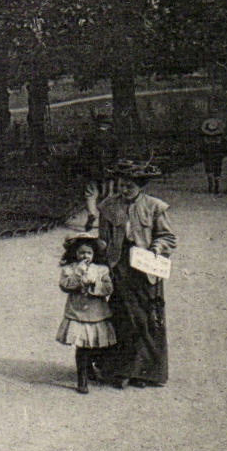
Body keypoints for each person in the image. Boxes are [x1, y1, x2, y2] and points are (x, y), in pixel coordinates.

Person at [96, 159, 176, 389]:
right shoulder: (108, 206)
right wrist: (102, 253)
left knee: (147, 318)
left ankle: (146, 371)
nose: (125, 189)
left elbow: (168, 237)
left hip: (145, 269)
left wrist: (156, 249)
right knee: (122, 316)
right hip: (120, 266)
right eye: (122, 184)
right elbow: (103, 237)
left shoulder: (155, 207)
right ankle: (120, 370)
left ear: (141, 186)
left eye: (130, 185)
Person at [56, 232, 116, 394]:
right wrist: (78, 274)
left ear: (94, 254)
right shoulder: (69, 269)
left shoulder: (101, 270)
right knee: (82, 347)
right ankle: (82, 379)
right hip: (78, 313)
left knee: (95, 344)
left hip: (97, 313)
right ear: (74, 254)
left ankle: (90, 369)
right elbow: (65, 285)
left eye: (88, 252)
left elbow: (109, 288)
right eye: (81, 252)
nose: (85, 256)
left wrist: (94, 285)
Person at [76, 111, 116, 230]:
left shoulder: (89, 137)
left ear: (97, 124)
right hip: (107, 171)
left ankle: (92, 214)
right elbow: (116, 155)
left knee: (90, 193)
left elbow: (82, 154)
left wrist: (82, 168)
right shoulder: (112, 138)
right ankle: (105, 219)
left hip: (91, 170)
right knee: (107, 195)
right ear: (108, 125)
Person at [199, 117, 227, 195]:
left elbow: (202, 147)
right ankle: (216, 186)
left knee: (209, 169)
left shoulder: (205, 138)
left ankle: (211, 186)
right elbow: (224, 146)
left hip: (209, 154)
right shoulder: (220, 137)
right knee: (216, 170)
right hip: (216, 155)